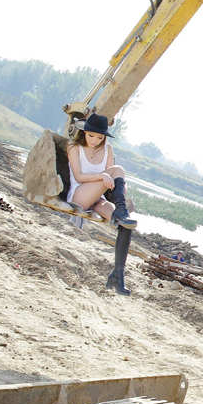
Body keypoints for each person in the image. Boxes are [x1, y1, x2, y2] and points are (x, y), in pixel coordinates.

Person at [66, 113, 137, 295]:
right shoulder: (74, 147)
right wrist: (102, 176)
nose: (95, 140)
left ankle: (117, 275)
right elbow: (80, 176)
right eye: (91, 135)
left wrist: (114, 185)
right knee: (118, 170)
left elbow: (109, 182)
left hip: (99, 198)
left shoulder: (108, 150)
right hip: (80, 194)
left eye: (99, 137)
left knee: (126, 223)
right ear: (84, 132)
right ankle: (121, 209)